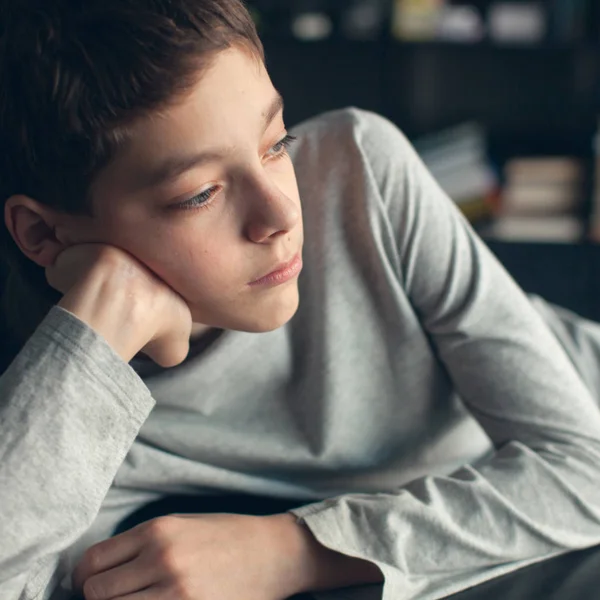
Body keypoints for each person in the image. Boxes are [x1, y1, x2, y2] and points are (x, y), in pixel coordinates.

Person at [2, 1, 600, 599]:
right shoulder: (73, 401)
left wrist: (292, 550)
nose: (284, 215)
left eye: (275, 142)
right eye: (200, 194)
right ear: (46, 235)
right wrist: (97, 338)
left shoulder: (360, 171)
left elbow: (584, 474)